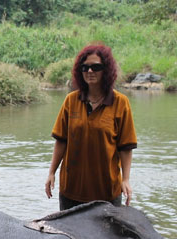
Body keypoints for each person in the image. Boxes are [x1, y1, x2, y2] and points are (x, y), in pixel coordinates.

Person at [45, 43, 137, 210]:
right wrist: (51, 172)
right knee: (68, 236)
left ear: (106, 70)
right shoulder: (71, 101)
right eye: (85, 67)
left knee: (107, 236)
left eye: (96, 67)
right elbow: (61, 140)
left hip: (106, 192)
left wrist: (125, 179)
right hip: (71, 191)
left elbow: (125, 147)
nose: (89, 72)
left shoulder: (120, 103)